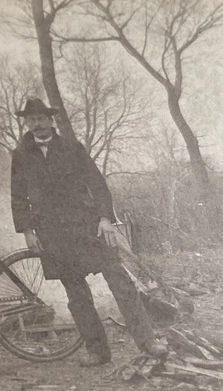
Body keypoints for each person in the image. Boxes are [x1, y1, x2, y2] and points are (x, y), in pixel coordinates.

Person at [10, 98, 167, 368]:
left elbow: (98, 184)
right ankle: (97, 352)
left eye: (41, 118)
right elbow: (18, 196)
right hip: (52, 233)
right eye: (31, 119)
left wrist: (105, 219)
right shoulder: (21, 155)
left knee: (121, 282)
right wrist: (27, 230)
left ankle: (147, 341)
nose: (36, 124)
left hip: (88, 227)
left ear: (51, 120)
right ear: (27, 123)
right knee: (76, 294)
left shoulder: (72, 148)